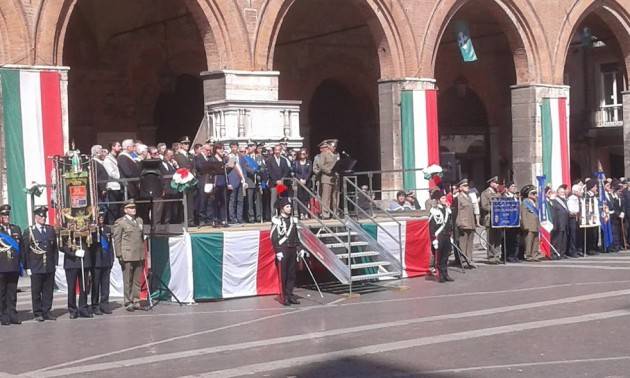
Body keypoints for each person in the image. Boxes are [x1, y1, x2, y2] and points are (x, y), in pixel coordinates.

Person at [23, 206, 58, 321]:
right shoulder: (30, 231)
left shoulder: (50, 230)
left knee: (48, 290)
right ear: (36, 217)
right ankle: (38, 313)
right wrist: (27, 266)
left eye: (45, 216)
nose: (44, 218)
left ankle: (46, 311)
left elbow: (54, 249)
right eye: (41, 216)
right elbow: (26, 251)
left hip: (48, 265)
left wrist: (55, 263)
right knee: (36, 291)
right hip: (36, 266)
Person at [271, 197, 307, 306]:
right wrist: (278, 251)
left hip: (292, 249)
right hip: (283, 249)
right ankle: (284, 297)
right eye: (287, 206)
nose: (290, 208)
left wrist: (300, 248)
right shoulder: (277, 220)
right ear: (282, 209)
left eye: (290, 206)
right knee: (284, 275)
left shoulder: (293, 220)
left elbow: (297, 236)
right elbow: (273, 237)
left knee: (292, 274)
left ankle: (290, 294)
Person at [113, 200, 146, 311]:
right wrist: (119, 254)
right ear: (125, 210)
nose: (133, 209)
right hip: (127, 254)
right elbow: (117, 239)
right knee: (128, 279)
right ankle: (128, 301)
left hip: (139, 253)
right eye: (131, 208)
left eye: (134, 207)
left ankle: (136, 300)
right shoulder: (121, 222)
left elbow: (141, 237)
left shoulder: (139, 220)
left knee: (137, 280)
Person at [0, 205, 23, 325]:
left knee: (12, 293)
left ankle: (13, 315)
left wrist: (22, 264)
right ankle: (3, 316)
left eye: (7, 215)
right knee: (2, 293)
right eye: (4, 215)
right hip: (1, 267)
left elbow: (22, 247)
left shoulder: (16, 229)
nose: (6, 217)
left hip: (14, 266)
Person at [61, 233, 93, 319]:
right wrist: (74, 253)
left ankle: (83, 308)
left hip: (84, 261)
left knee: (84, 287)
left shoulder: (85, 228)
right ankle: (72, 309)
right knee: (71, 288)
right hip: (71, 262)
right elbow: (61, 245)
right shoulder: (65, 229)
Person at [91, 212, 114, 315]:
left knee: (105, 285)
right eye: (99, 217)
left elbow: (110, 245)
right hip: (96, 261)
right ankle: (95, 305)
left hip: (106, 260)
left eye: (102, 217)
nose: (101, 218)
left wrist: (112, 258)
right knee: (95, 285)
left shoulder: (107, 229)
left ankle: (104, 304)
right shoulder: (92, 230)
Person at [429, 190, 454, 282]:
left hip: (446, 235)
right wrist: (434, 239)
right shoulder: (434, 210)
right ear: (438, 200)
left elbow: (450, 224)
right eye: (443, 198)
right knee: (439, 257)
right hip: (439, 236)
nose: (445, 199)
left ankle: (445, 274)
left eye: (445, 198)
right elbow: (432, 226)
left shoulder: (447, 209)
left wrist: (450, 236)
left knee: (446, 256)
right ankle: (440, 275)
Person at [480, 176, 502, 264]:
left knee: (497, 238)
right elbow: (484, 206)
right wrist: (495, 209)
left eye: (497, 183)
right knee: (491, 238)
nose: (497, 185)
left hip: (498, 218)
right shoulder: (485, 193)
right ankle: (491, 256)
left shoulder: (498, 193)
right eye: (495, 183)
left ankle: (497, 255)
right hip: (490, 218)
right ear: (491, 183)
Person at [455, 179, 476, 267]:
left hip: (471, 223)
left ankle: (469, 259)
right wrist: (459, 223)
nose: (467, 187)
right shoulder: (458, 198)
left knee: (470, 243)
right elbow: (457, 212)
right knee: (463, 244)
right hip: (463, 223)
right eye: (465, 186)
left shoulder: (469, 197)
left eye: (467, 185)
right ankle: (464, 261)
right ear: (460, 188)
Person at [313, 141, 336, 218]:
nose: (326, 148)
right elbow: (319, 166)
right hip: (324, 177)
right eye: (324, 147)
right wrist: (327, 171)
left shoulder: (335, 155)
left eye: (327, 147)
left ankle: (334, 212)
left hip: (334, 178)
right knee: (325, 197)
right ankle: (325, 213)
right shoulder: (320, 156)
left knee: (334, 196)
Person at [267, 144, 292, 217]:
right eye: (276, 150)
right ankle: (273, 216)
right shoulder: (269, 160)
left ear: (281, 151)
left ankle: (282, 215)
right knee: (274, 200)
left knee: (282, 199)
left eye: (279, 150)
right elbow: (269, 171)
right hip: (274, 183)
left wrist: (282, 180)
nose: (277, 151)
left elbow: (286, 171)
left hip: (282, 183)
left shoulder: (284, 160)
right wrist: (276, 181)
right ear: (274, 151)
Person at [155, 149, 179, 224]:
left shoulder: (171, 164)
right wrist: (162, 188)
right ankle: (161, 222)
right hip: (164, 187)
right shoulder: (160, 164)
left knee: (171, 206)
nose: (172, 157)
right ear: (166, 155)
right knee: (162, 207)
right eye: (170, 155)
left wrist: (176, 166)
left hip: (172, 188)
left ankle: (169, 221)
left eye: (172, 155)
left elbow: (176, 173)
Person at [521, 185, 543, 262]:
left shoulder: (534, 202)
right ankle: (528, 255)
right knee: (529, 241)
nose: (535, 195)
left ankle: (535, 255)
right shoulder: (525, 202)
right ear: (528, 194)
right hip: (529, 225)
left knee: (536, 241)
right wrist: (525, 225)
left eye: (535, 193)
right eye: (533, 193)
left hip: (535, 224)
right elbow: (524, 214)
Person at [243, 142, 263, 223]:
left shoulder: (259, 157)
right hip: (250, 181)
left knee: (258, 200)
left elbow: (263, 167)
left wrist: (260, 170)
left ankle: (259, 216)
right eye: (249, 146)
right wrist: (254, 170)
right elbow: (246, 167)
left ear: (254, 147)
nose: (249, 148)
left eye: (251, 146)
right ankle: (251, 217)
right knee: (250, 200)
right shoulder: (246, 158)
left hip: (258, 181)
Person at [103, 141, 123, 223]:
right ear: (113, 147)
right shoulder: (108, 159)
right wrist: (120, 176)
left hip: (119, 185)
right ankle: (112, 225)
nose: (120, 147)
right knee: (113, 207)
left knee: (119, 207)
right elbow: (111, 172)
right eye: (118, 146)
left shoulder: (117, 157)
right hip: (113, 186)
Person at [227, 142, 245, 224]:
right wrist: (228, 182)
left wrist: (244, 179)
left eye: (236, 147)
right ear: (231, 148)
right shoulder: (228, 156)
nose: (234, 148)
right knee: (232, 200)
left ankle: (240, 218)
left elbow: (243, 168)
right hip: (232, 180)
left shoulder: (241, 157)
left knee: (240, 200)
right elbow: (227, 170)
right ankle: (232, 218)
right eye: (232, 147)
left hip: (240, 180)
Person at [551, 185, 569, 259]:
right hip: (558, 223)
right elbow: (554, 213)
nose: (563, 193)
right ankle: (556, 253)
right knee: (557, 240)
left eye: (563, 192)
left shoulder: (564, 201)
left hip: (564, 223)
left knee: (564, 239)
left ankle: (562, 253)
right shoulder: (555, 201)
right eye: (561, 192)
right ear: (557, 193)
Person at [566, 184, 582, 257]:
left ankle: (577, 249)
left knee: (577, 235)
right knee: (573, 235)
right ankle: (572, 251)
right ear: (575, 191)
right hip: (573, 218)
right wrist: (576, 212)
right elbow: (570, 209)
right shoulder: (571, 198)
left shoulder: (579, 198)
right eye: (579, 190)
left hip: (578, 218)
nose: (581, 192)